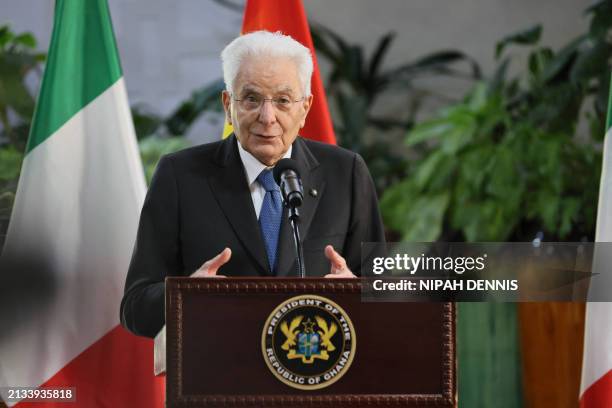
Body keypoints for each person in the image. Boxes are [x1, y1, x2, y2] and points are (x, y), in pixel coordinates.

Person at [120, 31, 385, 338]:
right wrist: (186, 295)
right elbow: (135, 307)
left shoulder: (345, 172)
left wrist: (358, 293)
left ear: (305, 109)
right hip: (217, 376)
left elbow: (383, 294)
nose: (267, 116)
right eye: (251, 99)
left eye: (283, 101)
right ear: (227, 105)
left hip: (317, 370)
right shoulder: (180, 176)